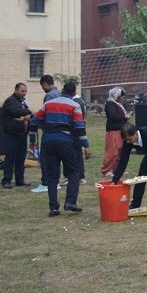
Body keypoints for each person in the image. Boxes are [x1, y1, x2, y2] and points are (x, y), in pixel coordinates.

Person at [30, 81, 90, 216]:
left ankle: (53, 208)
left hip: (48, 141)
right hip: (66, 141)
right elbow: (79, 127)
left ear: (62, 90)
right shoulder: (74, 105)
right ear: (74, 93)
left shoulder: (48, 104)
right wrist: (86, 146)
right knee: (74, 171)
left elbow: (34, 121)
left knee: (52, 175)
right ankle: (70, 202)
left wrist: (33, 140)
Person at [30, 74, 61, 194]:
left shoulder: (49, 95)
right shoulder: (59, 94)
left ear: (45, 84)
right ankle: (55, 181)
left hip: (49, 131)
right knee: (56, 158)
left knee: (46, 157)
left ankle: (46, 183)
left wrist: (34, 120)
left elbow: (46, 112)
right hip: (60, 131)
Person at [0, 82, 32, 189]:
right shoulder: (10, 101)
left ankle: (20, 180)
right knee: (10, 157)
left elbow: (24, 112)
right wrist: (28, 112)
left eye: (25, 91)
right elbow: (17, 111)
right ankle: (6, 180)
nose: (24, 93)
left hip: (22, 134)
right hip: (12, 134)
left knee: (21, 158)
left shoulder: (21, 101)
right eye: (22, 91)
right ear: (16, 90)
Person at [100, 87, 129, 177]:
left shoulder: (118, 104)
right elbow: (113, 116)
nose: (123, 98)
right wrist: (124, 117)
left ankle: (117, 169)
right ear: (116, 96)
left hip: (120, 131)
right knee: (112, 151)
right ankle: (106, 170)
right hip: (113, 131)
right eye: (122, 96)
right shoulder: (110, 104)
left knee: (120, 151)